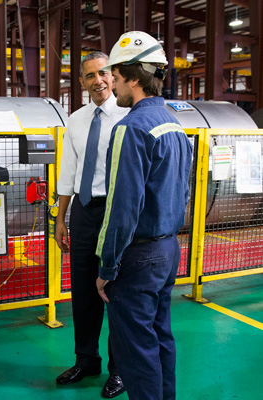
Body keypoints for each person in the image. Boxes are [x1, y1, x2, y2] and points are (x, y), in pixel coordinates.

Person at [95, 31, 193, 400]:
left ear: (134, 77)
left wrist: (106, 269)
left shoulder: (130, 128)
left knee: (136, 351)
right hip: (168, 250)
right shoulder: (174, 125)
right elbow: (182, 191)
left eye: (116, 77)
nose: (112, 85)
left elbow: (122, 209)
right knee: (159, 337)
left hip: (136, 257)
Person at [55, 51, 129, 398]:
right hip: (83, 211)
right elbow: (68, 171)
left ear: (113, 77)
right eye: (89, 76)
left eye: (102, 73)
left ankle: (119, 369)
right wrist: (61, 218)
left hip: (115, 211)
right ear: (82, 82)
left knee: (114, 291)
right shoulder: (76, 119)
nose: (97, 80)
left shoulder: (129, 117)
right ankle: (86, 360)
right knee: (83, 291)